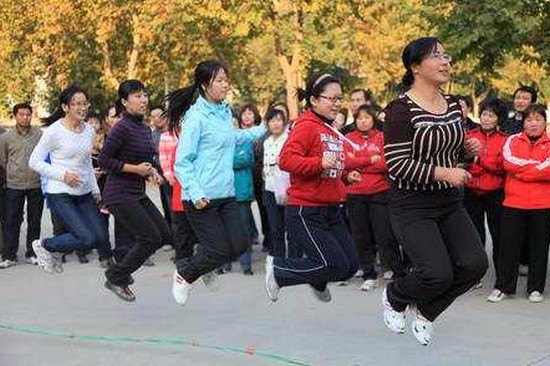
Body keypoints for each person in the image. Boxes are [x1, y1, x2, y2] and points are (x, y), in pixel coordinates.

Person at [381, 37, 487, 346]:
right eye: (436, 56)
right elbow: (397, 164)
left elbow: (456, 152)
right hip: (411, 204)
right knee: (435, 273)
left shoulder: (454, 104)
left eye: (446, 55)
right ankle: (395, 295)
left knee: (475, 264)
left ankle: (427, 311)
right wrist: (445, 172)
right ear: (415, 66)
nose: (445, 62)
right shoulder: (400, 110)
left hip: (449, 201)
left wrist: (468, 151)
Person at [167, 60, 266, 306]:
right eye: (219, 80)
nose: (225, 85)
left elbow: (232, 138)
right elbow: (182, 162)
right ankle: (185, 274)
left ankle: (203, 266)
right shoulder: (196, 118)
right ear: (204, 85)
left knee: (240, 244)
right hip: (201, 198)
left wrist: (267, 129)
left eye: (226, 79)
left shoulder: (223, 112)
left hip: (226, 193)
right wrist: (196, 191)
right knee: (219, 250)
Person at [264, 72, 364, 304]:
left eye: (340, 99)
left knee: (349, 265)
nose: (337, 104)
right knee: (334, 264)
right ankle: (278, 269)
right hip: (306, 210)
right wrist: (317, 163)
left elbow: (332, 168)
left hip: (332, 208)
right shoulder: (306, 126)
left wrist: (347, 177)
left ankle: (317, 280)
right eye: (331, 99)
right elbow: (286, 160)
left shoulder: (330, 129)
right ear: (314, 100)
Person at [98, 79, 172, 302]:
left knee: (164, 235)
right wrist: (135, 169)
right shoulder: (122, 127)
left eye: (145, 95)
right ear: (124, 101)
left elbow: (145, 160)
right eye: (137, 96)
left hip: (137, 192)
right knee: (149, 237)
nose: (143, 100)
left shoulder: (143, 128)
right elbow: (104, 159)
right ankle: (115, 276)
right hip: (119, 194)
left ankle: (119, 271)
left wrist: (152, 172)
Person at [29, 85, 112, 274]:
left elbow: (86, 164)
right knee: (86, 239)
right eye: (76, 104)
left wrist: (96, 191)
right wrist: (63, 175)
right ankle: (45, 245)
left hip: (83, 193)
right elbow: (34, 162)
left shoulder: (89, 131)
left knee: (100, 235)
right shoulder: (54, 131)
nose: (82, 108)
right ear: (66, 107)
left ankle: (56, 252)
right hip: (60, 193)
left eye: (84, 104)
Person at [487, 104, 550, 304]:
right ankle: (503, 287)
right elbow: (508, 162)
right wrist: (535, 170)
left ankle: (536, 288)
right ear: (523, 122)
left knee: (539, 249)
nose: (533, 124)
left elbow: (546, 169)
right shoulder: (512, 140)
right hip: (514, 202)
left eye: (538, 119)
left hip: (542, 204)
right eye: (529, 120)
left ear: (545, 123)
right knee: (508, 247)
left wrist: (523, 171)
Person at [344, 104, 405, 291]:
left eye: (366, 117)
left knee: (385, 235)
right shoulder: (348, 139)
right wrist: (371, 160)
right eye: (359, 118)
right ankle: (369, 274)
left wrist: (360, 164)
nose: (362, 121)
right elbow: (347, 162)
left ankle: (398, 272)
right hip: (355, 194)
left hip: (380, 192)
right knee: (361, 236)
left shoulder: (382, 137)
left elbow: (387, 164)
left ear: (373, 119)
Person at [464, 97, 508, 278]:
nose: (486, 119)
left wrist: (478, 160)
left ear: (499, 119)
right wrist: (479, 163)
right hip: (471, 191)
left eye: (491, 115)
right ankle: (475, 276)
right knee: (474, 236)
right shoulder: (469, 136)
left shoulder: (506, 140)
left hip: (496, 193)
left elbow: (502, 167)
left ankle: (502, 277)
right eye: (484, 114)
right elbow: (463, 162)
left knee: (499, 236)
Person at [0, 103, 43, 268]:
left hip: (35, 184)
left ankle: (32, 253)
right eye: (21, 114)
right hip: (13, 185)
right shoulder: (6, 138)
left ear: (31, 116)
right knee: (11, 220)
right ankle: (9, 255)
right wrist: (12, 173)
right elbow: (3, 161)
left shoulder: (39, 135)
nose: (25, 117)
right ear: (15, 116)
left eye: (28, 114)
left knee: (34, 220)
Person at [159, 125, 197, 266]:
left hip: (195, 194)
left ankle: (189, 257)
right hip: (182, 192)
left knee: (191, 227)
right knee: (182, 227)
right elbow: (175, 166)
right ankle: (182, 258)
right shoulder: (180, 146)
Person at [262, 107, 294, 258]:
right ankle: (279, 261)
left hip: (288, 189)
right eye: (272, 120)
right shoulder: (266, 142)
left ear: (284, 122)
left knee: (292, 228)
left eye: (279, 120)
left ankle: (295, 260)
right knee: (276, 228)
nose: (275, 124)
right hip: (270, 189)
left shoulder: (289, 140)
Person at [151, 106, 173, 239]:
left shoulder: (174, 131)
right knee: (167, 206)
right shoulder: (152, 135)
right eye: (153, 116)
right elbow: (150, 155)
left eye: (158, 115)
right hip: (162, 175)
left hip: (178, 174)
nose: (156, 119)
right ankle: (170, 237)